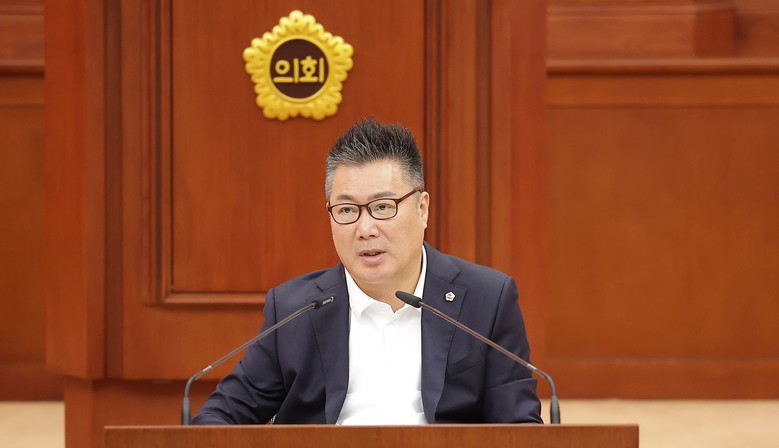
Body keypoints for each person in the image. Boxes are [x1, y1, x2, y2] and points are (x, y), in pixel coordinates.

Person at [193, 117, 542, 424]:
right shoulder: (294, 309)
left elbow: (518, 428)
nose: (365, 229)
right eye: (347, 210)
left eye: (383, 207)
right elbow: (219, 418)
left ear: (422, 209)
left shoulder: (486, 299)